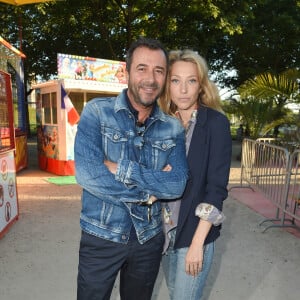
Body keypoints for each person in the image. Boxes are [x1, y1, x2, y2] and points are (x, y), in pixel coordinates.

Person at [74, 38, 189, 300]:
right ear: (126, 73)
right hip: (100, 235)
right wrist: (148, 194)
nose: (150, 78)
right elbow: (88, 174)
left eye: (158, 70)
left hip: (148, 240)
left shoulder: (172, 128)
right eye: (142, 68)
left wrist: (121, 169)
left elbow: (177, 184)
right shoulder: (97, 113)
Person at [159, 49, 232, 300]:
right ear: (167, 85)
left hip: (193, 233)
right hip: (164, 233)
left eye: (191, 81)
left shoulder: (215, 123)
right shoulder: (162, 123)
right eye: (175, 80)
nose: (183, 89)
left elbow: (216, 189)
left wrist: (197, 244)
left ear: (200, 85)